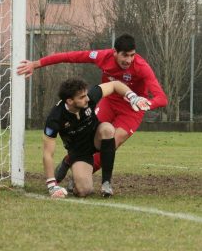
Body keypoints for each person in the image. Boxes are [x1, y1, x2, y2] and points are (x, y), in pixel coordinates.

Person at [17, 34, 167, 182]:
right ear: (115, 52)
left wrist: (146, 103)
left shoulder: (142, 67)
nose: (129, 60)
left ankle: (81, 179)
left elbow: (162, 98)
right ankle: (68, 161)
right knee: (88, 135)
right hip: (109, 102)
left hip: (131, 110)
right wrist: (36, 64)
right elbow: (70, 56)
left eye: (132, 55)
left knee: (111, 144)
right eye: (125, 55)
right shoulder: (102, 56)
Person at [43, 77, 150, 198]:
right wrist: (52, 185)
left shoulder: (89, 97)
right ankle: (68, 161)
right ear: (69, 101)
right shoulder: (55, 118)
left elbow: (114, 84)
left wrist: (132, 97)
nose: (87, 99)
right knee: (84, 190)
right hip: (78, 151)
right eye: (82, 97)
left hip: (96, 137)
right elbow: (48, 153)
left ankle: (106, 183)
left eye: (86, 95)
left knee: (108, 129)